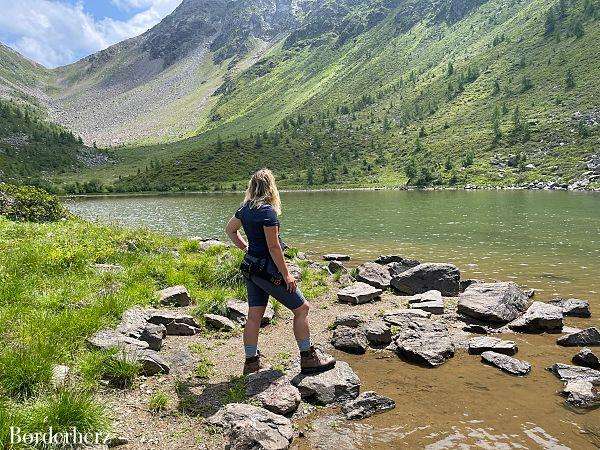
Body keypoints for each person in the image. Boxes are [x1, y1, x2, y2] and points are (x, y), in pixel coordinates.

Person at [225, 168, 336, 375]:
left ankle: (251, 363)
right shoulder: (268, 212)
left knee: (253, 316)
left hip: (251, 268)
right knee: (302, 309)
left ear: (252, 187)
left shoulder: (245, 209)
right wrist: (286, 275)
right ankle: (308, 358)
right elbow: (274, 247)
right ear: (271, 187)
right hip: (268, 271)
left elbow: (230, 230)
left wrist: (245, 248)